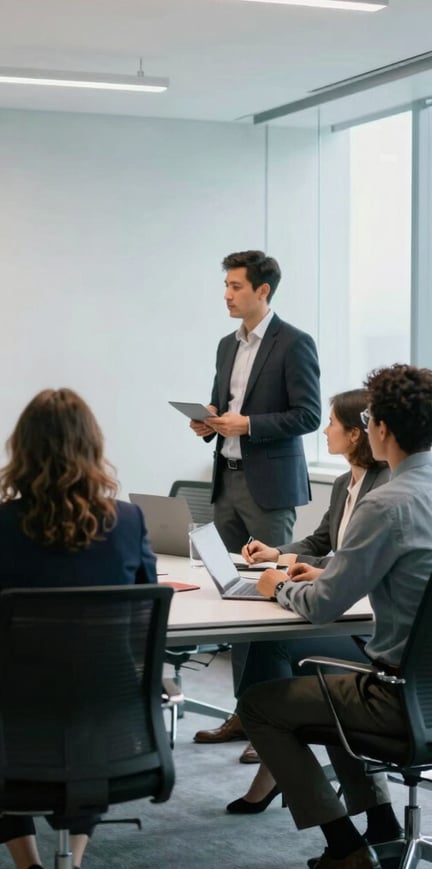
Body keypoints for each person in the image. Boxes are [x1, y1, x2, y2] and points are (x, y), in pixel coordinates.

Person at [0, 388, 157, 869]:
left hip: (17, 722)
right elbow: (143, 610)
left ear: (23, 450)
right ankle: (73, 866)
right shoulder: (128, 520)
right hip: (109, 719)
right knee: (87, 740)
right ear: (93, 447)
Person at [237, 364, 432, 869]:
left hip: (396, 698)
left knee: (261, 705)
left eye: (367, 418)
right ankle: (384, 827)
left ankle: (345, 852)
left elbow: (322, 604)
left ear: (382, 428)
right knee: (327, 696)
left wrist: (276, 584)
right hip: (424, 694)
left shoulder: (387, 503)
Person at [226, 389, 389, 814]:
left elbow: (351, 570)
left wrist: (284, 584)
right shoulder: (343, 484)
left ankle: (265, 737)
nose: (324, 428)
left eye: (332, 422)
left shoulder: (386, 493)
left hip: (366, 631)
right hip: (352, 615)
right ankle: (271, 748)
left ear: (357, 434)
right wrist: (277, 554)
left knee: (273, 650)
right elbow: (323, 543)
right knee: (268, 644)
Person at [189, 250, 321, 761]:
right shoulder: (227, 345)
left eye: (236, 286)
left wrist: (249, 425)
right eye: (225, 285)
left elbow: (308, 415)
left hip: (269, 487)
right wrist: (210, 423)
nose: (227, 293)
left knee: (270, 600)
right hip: (229, 479)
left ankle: (273, 722)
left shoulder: (294, 343)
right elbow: (224, 408)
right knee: (230, 598)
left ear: (263, 291)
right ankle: (245, 713)